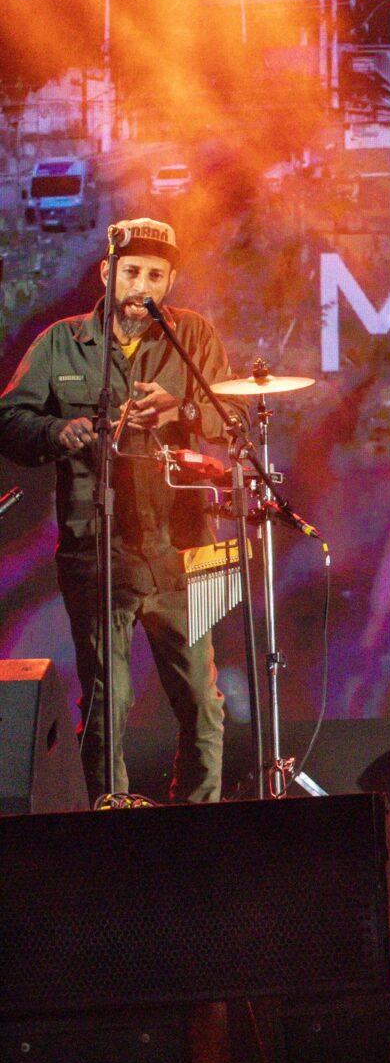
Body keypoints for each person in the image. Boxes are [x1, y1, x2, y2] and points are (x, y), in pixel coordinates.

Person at [0, 218, 232, 802]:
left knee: (203, 702)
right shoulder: (63, 341)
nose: (141, 286)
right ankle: (110, 822)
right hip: (96, 546)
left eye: (155, 275)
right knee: (109, 699)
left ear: (170, 281)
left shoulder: (193, 335)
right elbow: (9, 419)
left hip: (186, 547)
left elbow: (229, 418)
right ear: (108, 273)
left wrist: (179, 409)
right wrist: (56, 431)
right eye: (131, 272)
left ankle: (199, 824)